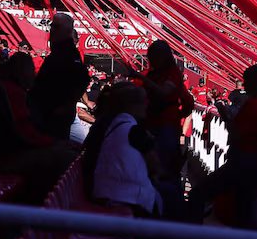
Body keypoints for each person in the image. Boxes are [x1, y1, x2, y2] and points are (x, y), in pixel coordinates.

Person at [0, 52, 76, 202]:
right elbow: (24, 131)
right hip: (3, 158)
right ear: (22, 71)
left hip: (2, 153)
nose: (33, 75)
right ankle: (38, 211)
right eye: (31, 70)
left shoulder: (5, 87)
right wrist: (54, 143)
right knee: (65, 158)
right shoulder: (10, 90)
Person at [191, 64, 257, 228]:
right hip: (251, 162)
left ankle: (190, 238)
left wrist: (225, 116)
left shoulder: (254, 105)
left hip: (243, 161)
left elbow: (236, 133)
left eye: (246, 81)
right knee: (243, 209)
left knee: (198, 194)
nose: (244, 84)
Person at [83, 81, 163, 217]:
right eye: (143, 101)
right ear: (132, 105)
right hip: (125, 200)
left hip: (101, 191)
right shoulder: (134, 130)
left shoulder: (105, 123)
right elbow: (155, 166)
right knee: (170, 193)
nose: (147, 105)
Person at [135, 40, 191, 179]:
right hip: (153, 123)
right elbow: (187, 101)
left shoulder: (171, 73)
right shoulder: (154, 74)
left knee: (165, 168)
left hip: (165, 125)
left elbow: (164, 92)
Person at [28, 13, 90, 139]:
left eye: (55, 27)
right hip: (53, 114)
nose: (51, 30)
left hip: (53, 116)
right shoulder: (64, 53)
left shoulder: (66, 54)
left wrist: (64, 105)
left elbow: (82, 79)